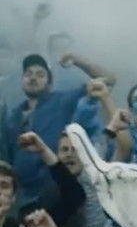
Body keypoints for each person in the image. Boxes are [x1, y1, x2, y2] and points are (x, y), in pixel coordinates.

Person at [0, 53, 114, 199]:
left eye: (40, 74)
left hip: (56, 191)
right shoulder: (12, 117)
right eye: (28, 74)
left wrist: (78, 60)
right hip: (21, 197)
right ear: (22, 80)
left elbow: (108, 80)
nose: (33, 78)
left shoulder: (63, 101)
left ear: (49, 83)